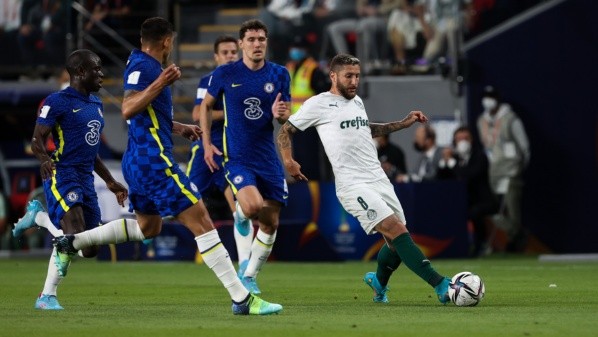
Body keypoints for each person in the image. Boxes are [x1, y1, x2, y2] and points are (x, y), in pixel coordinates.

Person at [20, 17, 282, 315]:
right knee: (203, 223)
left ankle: (72, 241)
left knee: (149, 227)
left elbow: (144, 116)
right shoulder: (146, 67)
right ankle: (242, 299)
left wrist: (178, 126)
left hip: (138, 160)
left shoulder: (141, 65)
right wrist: (162, 82)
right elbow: (129, 107)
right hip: (153, 160)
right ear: (167, 41)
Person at [277, 53, 451, 304]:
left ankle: (378, 282)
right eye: (349, 76)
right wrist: (288, 161)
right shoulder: (318, 104)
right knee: (397, 230)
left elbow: (365, 127)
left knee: (396, 244)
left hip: (378, 177)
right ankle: (441, 284)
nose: (354, 81)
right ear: (333, 76)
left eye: (357, 76)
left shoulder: (357, 101)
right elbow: (286, 130)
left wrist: (402, 124)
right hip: (352, 183)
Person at [11, 49, 130, 310]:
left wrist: (110, 182)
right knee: (74, 233)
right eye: (96, 69)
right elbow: (36, 139)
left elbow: (92, 150)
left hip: (86, 177)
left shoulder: (96, 104)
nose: (101, 74)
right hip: (62, 173)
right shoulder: (58, 101)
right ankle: (47, 297)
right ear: (80, 72)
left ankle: (39, 218)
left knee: (90, 247)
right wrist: (44, 159)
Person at [198, 19, 291, 296]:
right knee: (251, 208)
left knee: (271, 223)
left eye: (261, 39)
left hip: (268, 157)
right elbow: (205, 106)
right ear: (241, 44)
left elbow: (286, 116)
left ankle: (249, 275)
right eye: (251, 39)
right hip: (237, 156)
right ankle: (239, 215)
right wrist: (206, 144)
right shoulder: (226, 73)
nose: (257, 44)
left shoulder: (280, 73)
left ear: (266, 42)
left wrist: (283, 115)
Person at [187, 35, 254, 269]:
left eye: (233, 52)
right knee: (184, 198)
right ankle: (147, 228)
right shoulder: (209, 80)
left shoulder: (247, 79)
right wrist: (229, 112)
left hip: (232, 148)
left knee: (239, 204)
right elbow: (197, 115)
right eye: (224, 52)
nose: (229, 56)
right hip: (207, 146)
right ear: (216, 56)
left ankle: (245, 260)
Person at [476, 85, 530, 252]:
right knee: (494, 210)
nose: (488, 100)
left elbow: (524, 146)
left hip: (511, 172)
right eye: (485, 96)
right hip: (493, 173)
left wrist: (519, 169)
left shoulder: (511, 119)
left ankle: (515, 241)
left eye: (491, 96)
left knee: (512, 209)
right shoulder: (481, 121)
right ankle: (517, 234)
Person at [437, 125, 498, 256]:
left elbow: (468, 176)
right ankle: (452, 246)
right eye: (459, 139)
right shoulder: (455, 158)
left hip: (483, 201)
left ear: (472, 140)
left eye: (466, 138)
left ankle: (480, 244)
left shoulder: (480, 156)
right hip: (463, 200)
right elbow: (441, 178)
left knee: (474, 212)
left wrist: (452, 162)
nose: (462, 142)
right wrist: (444, 161)